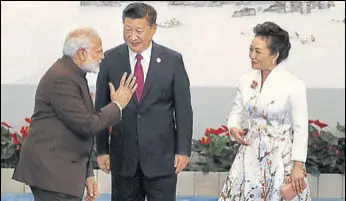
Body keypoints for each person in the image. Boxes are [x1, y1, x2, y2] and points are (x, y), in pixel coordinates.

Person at [12, 27, 137, 201]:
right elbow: (87, 124)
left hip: (61, 172)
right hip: (53, 174)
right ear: (81, 53)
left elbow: (76, 127)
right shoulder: (62, 78)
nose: (102, 56)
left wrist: (87, 174)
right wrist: (117, 105)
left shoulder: (73, 74)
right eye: (98, 51)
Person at [95, 2, 193, 201]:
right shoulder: (110, 60)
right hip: (124, 158)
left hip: (161, 159)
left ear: (153, 29)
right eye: (127, 30)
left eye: (139, 30)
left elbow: (183, 110)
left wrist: (183, 150)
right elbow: (101, 107)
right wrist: (102, 150)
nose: (132, 36)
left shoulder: (172, 60)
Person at [218, 22, 311, 201]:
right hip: (249, 156)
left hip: (281, 158)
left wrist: (298, 166)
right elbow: (236, 113)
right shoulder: (245, 80)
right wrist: (234, 128)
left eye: (258, 51)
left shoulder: (293, 85)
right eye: (250, 49)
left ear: (274, 55)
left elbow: (301, 129)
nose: (252, 55)